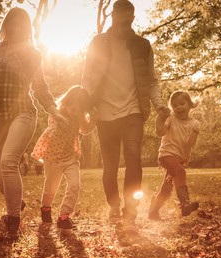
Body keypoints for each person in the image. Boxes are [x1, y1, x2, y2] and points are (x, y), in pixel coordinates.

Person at [0, 7, 65, 237]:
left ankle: (13, 219)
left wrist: (54, 111)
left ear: (26, 29)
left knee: (8, 162)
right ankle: (17, 202)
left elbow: (40, 87)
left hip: (23, 113)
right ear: (7, 26)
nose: (15, 28)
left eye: (21, 25)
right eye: (12, 23)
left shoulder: (31, 53)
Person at [81, 0, 170, 233]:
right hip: (105, 114)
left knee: (133, 160)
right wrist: (86, 106)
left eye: (130, 21)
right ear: (113, 18)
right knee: (109, 167)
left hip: (133, 111)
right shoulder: (98, 43)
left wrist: (160, 105)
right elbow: (88, 78)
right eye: (122, 20)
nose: (125, 25)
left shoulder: (142, 45)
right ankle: (114, 205)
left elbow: (151, 81)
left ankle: (131, 210)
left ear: (133, 18)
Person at [32, 86, 97, 229]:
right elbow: (52, 128)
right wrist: (60, 118)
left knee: (74, 185)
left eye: (80, 108)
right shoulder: (57, 112)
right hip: (53, 158)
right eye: (72, 105)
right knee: (51, 189)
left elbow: (85, 130)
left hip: (70, 158)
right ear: (67, 101)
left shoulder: (79, 118)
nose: (75, 110)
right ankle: (46, 208)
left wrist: (94, 117)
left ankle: (64, 216)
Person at [148, 90, 200, 220]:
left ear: (189, 104)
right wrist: (159, 119)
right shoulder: (170, 118)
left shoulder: (195, 124)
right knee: (180, 172)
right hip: (166, 154)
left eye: (182, 103)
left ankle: (153, 211)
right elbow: (160, 132)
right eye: (175, 105)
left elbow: (190, 144)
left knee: (167, 187)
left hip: (179, 158)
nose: (179, 107)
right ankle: (185, 203)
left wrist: (194, 133)